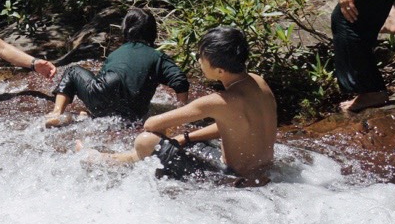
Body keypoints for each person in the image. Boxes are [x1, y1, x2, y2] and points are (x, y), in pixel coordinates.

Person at [89, 26, 277, 186]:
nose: (199, 61)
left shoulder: (218, 101)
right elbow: (237, 125)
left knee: (145, 140)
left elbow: (151, 124)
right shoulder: (259, 82)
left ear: (220, 70)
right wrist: (186, 137)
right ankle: (122, 159)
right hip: (262, 171)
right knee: (187, 140)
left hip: (232, 178)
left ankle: (113, 160)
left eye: (201, 58)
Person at [45, 7, 189, 126]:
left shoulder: (117, 53)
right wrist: (181, 112)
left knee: (72, 71)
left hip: (102, 100)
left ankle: (57, 113)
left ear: (125, 29)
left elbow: (100, 84)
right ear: (153, 33)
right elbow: (180, 80)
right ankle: (91, 115)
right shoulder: (158, 57)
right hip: (135, 112)